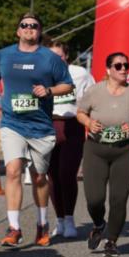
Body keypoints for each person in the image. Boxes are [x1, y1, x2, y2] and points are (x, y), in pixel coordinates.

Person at [0, 13, 74, 247]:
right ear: (18, 31)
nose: (29, 29)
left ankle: (42, 223)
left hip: (41, 126)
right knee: (13, 171)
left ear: (39, 32)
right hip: (12, 123)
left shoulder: (50, 58)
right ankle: (14, 228)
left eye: (34, 26)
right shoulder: (3, 55)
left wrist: (49, 91)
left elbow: (67, 84)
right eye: (24, 25)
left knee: (39, 177)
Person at [76, 52, 129, 257]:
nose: (124, 69)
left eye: (126, 65)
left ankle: (112, 240)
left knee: (119, 199)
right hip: (95, 150)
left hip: (123, 151)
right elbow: (80, 113)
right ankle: (99, 224)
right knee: (94, 199)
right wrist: (89, 122)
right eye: (118, 66)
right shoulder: (94, 91)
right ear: (108, 70)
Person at [47, 39, 94, 239]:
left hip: (72, 124)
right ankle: (58, 220)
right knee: (52, 176)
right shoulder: (40, 73)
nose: (55, 60)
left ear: (66, 56)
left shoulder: (80, 74)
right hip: (47, 124)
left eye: (59, 56)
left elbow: (93, 97)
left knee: (67, 173)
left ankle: (69, 218)